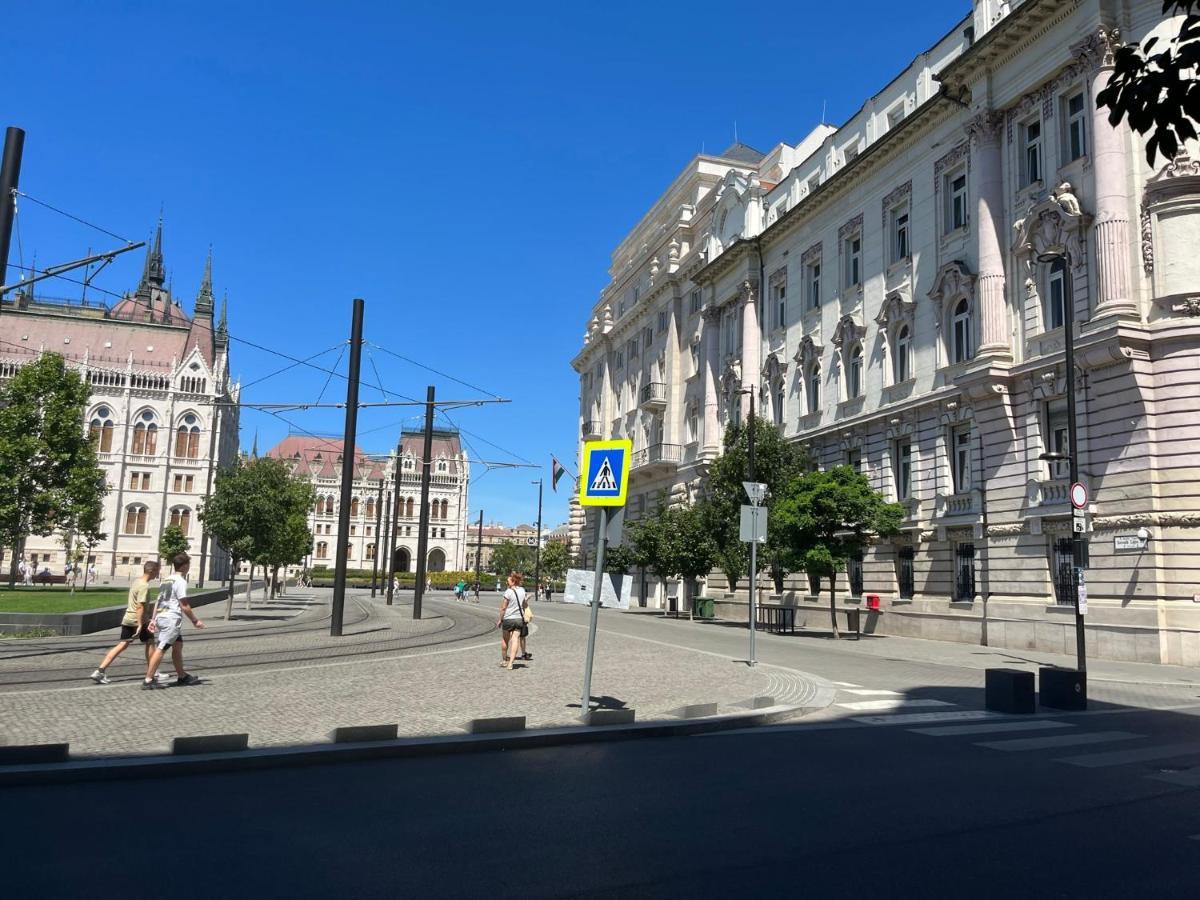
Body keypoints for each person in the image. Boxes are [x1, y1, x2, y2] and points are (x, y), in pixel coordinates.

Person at [90, 561, 164, 684]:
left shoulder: (136, 581)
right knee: (150, 643)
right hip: (139, 620)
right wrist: (140, 624)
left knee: (122, 644)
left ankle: (100, 670)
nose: (158, 573)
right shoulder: (144, 586)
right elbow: (140, 606)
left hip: (128, 618)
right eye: (157, 571)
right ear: (152, 571)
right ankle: (153, 671)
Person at [142, 553, 205, 690]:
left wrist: (154, 618)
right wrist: (195, 621)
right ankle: (148, 679)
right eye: (188, 564)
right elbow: (184, 605)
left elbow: (158, 600)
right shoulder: (180, 581)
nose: (189, 567)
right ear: (185, 566)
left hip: (162, 616)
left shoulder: (166, 580)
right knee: (161, 648)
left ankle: (182, 676)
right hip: (171, 618)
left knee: (178, 646)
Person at [496, 571, 527, 670]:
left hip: (508, 619)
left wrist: (500, 619)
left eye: (508, 581)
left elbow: (503, 608)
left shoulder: (508, 592)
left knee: (505, 640)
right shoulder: (522, 590)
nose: (507, 583)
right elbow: (523, 603)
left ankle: (504, 660)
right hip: (518, 619)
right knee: (515, 640)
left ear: (513, 582)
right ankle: (511, 663)